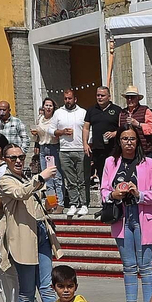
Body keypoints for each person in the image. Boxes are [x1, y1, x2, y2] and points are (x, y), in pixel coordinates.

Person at [101, 121, 152, 302]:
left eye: (132, 139)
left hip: (143, 217)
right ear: (119, 141)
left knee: (145, 266)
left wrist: (140, 194)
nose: (128, 143)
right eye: (124, 139)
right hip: (121, 217)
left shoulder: (149, 163)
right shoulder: (111, 162)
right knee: (128, 266)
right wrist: (113, 194)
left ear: (138, 141)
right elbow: (103, 190)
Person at [0, 144, 62, 302]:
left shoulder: (26, 178)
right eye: (13, 158)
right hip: (23, 238)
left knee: (47, 285)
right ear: (5, 160)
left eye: (21, 157)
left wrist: (49, 204)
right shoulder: (5, 181)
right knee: (26, 289)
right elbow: (20, 193)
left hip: (40, 233)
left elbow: (35, 200)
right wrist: (41, 176)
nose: (18, 161)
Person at [48, 89, 89, 218]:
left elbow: (89, 129)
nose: (67, 101)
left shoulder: (83, 112)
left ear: (75, 99)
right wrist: (61, 132)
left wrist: (87, 144)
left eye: (70, 98)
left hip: (80, 149)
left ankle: (84, 204)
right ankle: (73, 203)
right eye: (65, 98)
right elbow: (50, 129)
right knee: (70, 180)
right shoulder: (58, 113)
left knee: (82, 179)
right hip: (65, 150)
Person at [83, 85, 122, 181]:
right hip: (97, 149)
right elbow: (86, 128)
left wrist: (114, 133)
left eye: (102, 95)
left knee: (114, 174)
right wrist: (85, 143)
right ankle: (104, 194)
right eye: (98, 95)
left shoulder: (117, 110)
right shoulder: (91, 110)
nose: (99, 98)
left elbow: (123, 128)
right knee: (101, 174)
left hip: (113, 148)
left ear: (109, 96)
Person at [32, 97, 63, 206]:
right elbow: (38, 133)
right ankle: (52, 203)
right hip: (42, 147)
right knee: (47, 177)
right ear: (43, 107)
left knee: (57, 176)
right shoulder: (40, 118)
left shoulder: (55, 119)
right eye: (47, 105)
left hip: (53, 147)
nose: (48, 107)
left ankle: (60, 202)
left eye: (50, 105)